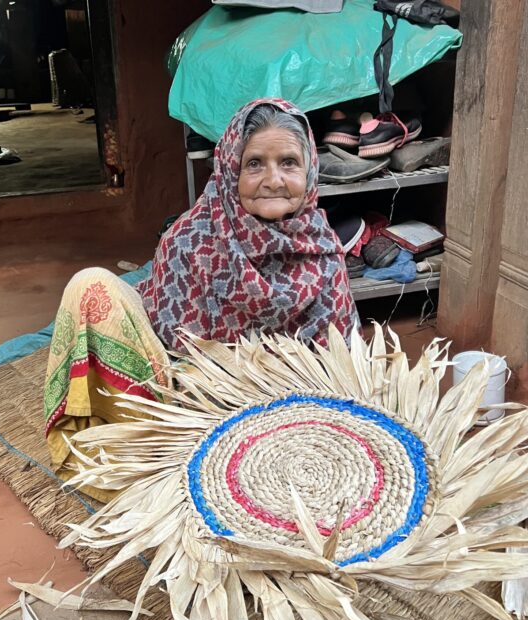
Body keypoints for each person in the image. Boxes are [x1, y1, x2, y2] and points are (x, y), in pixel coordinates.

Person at [44, 98, 359, 500]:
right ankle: (161, 470)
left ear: (310, 169)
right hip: (187, 410)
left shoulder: (322, 249)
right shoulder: (191, 240)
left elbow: (338, 361)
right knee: (90, 286)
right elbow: (165, 351)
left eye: (289, 163)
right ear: (230, 171)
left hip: (289, 418)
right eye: (255, 164)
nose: (274, 179)